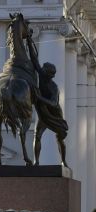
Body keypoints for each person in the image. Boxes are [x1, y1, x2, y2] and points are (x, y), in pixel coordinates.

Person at [27, 36, 69, 167]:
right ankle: (37, 162)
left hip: (54, 114)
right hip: (43, 113)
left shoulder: (53, 87)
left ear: (49, 73)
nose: (41, 70)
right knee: (37, 134)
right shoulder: (42, 75)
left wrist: (39, 98)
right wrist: (29, 41)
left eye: (44, 69)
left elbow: (53, 103)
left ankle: (63, 161)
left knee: (60, 138)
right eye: (43, 69)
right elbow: (34, 60)